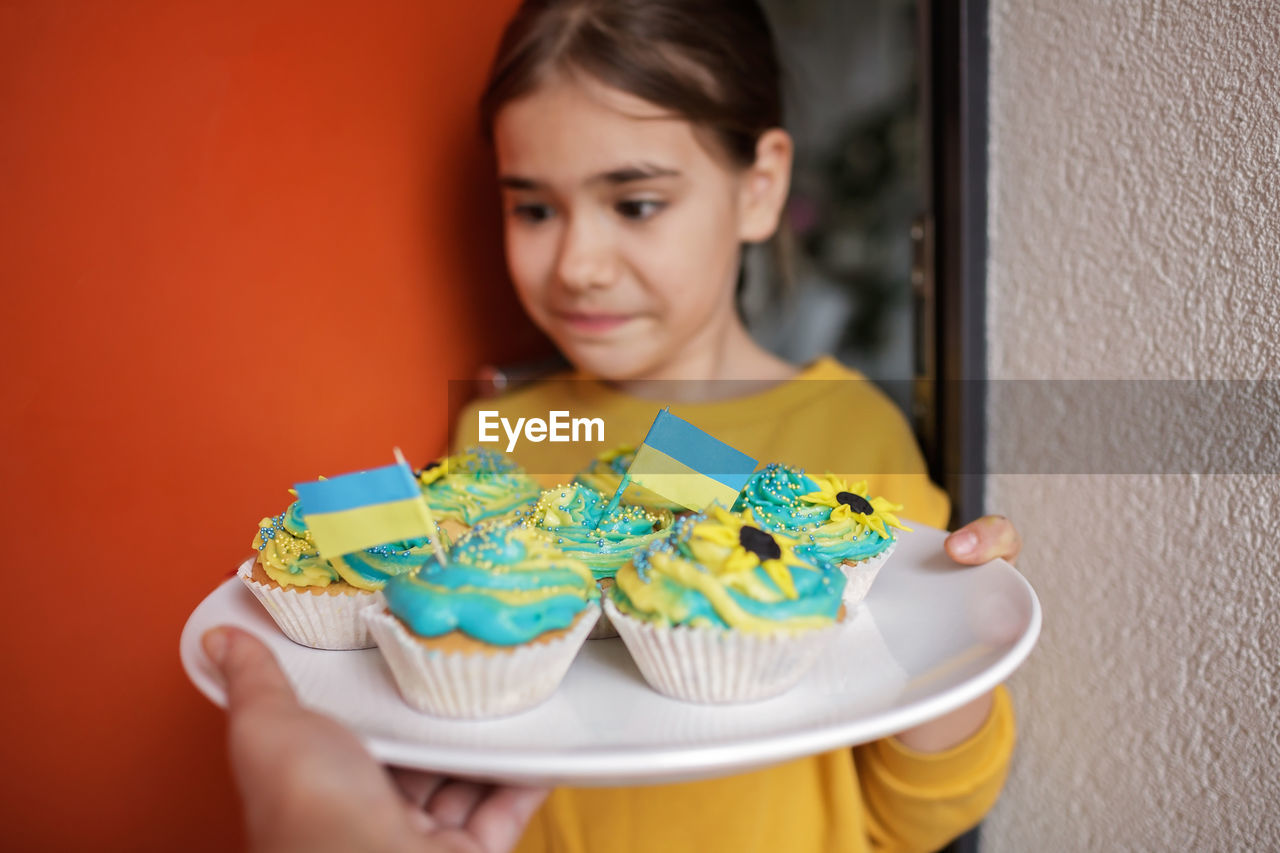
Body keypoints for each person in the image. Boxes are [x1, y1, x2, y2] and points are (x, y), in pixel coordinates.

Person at [211, 1, 1023, 850]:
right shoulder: (504, 434)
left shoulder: (857, 444)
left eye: (634, 204)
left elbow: (916, 818)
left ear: (760, 187)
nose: (577, 265)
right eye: (534, 209)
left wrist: (958, 645)